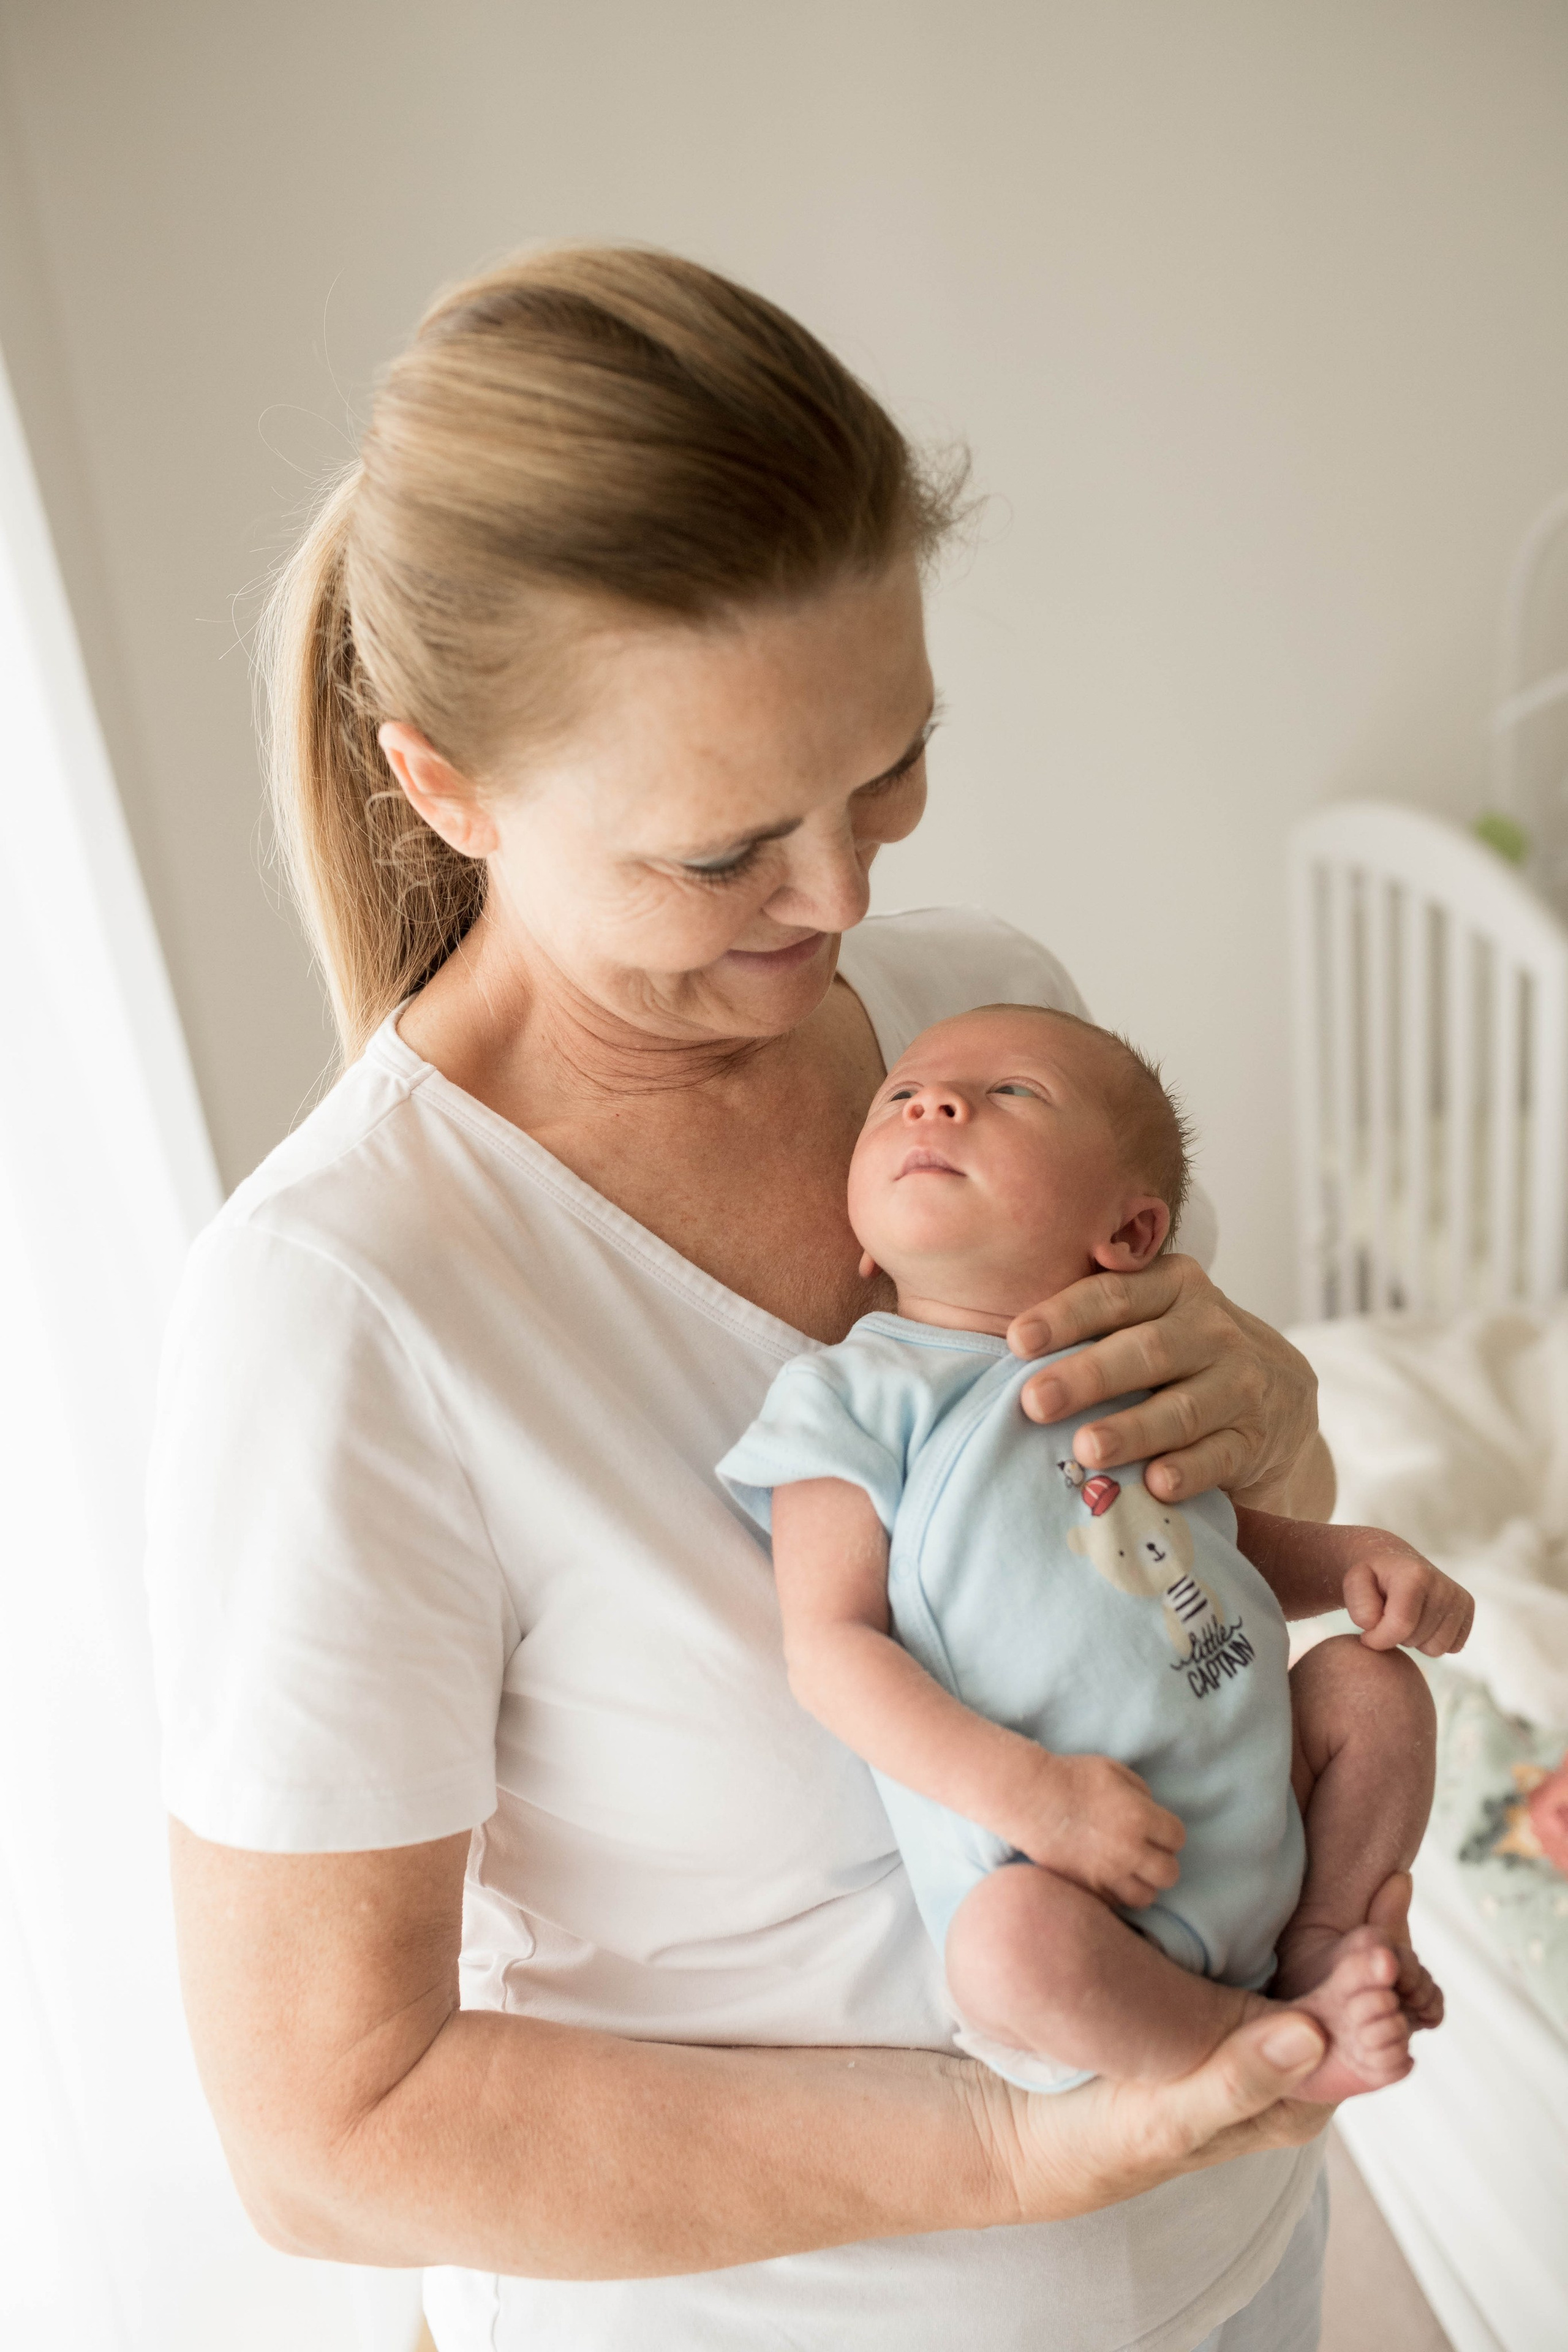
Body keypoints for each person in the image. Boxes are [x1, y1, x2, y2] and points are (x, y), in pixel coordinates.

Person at [149, 246, 1346, 2352]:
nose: (844, 895)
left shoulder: (991, 1028)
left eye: (886, 768)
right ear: (449, 789)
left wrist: (1264, 1412)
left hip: (1245, 2267)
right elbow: (326, 2133)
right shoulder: (347, 1310)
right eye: (723, 854)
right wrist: (1006, 2159)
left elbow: (1195, 1566)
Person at [720, 1003, 1470, 2108]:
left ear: (1127, 1236)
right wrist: (1032, 1800)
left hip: (1262, 1813)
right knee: (1001, 1951)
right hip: (1070, 1884)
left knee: (1376, 1686)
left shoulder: (1138, 1362)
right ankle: (1252, 2045)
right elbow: (829, 1650)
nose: (936, 1103)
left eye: (1011, 1094)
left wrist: (1351, 1558)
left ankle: (1319, 1943)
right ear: (864, 1239)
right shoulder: (848, 1397)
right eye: (902, 1099)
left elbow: (1209, 1540)